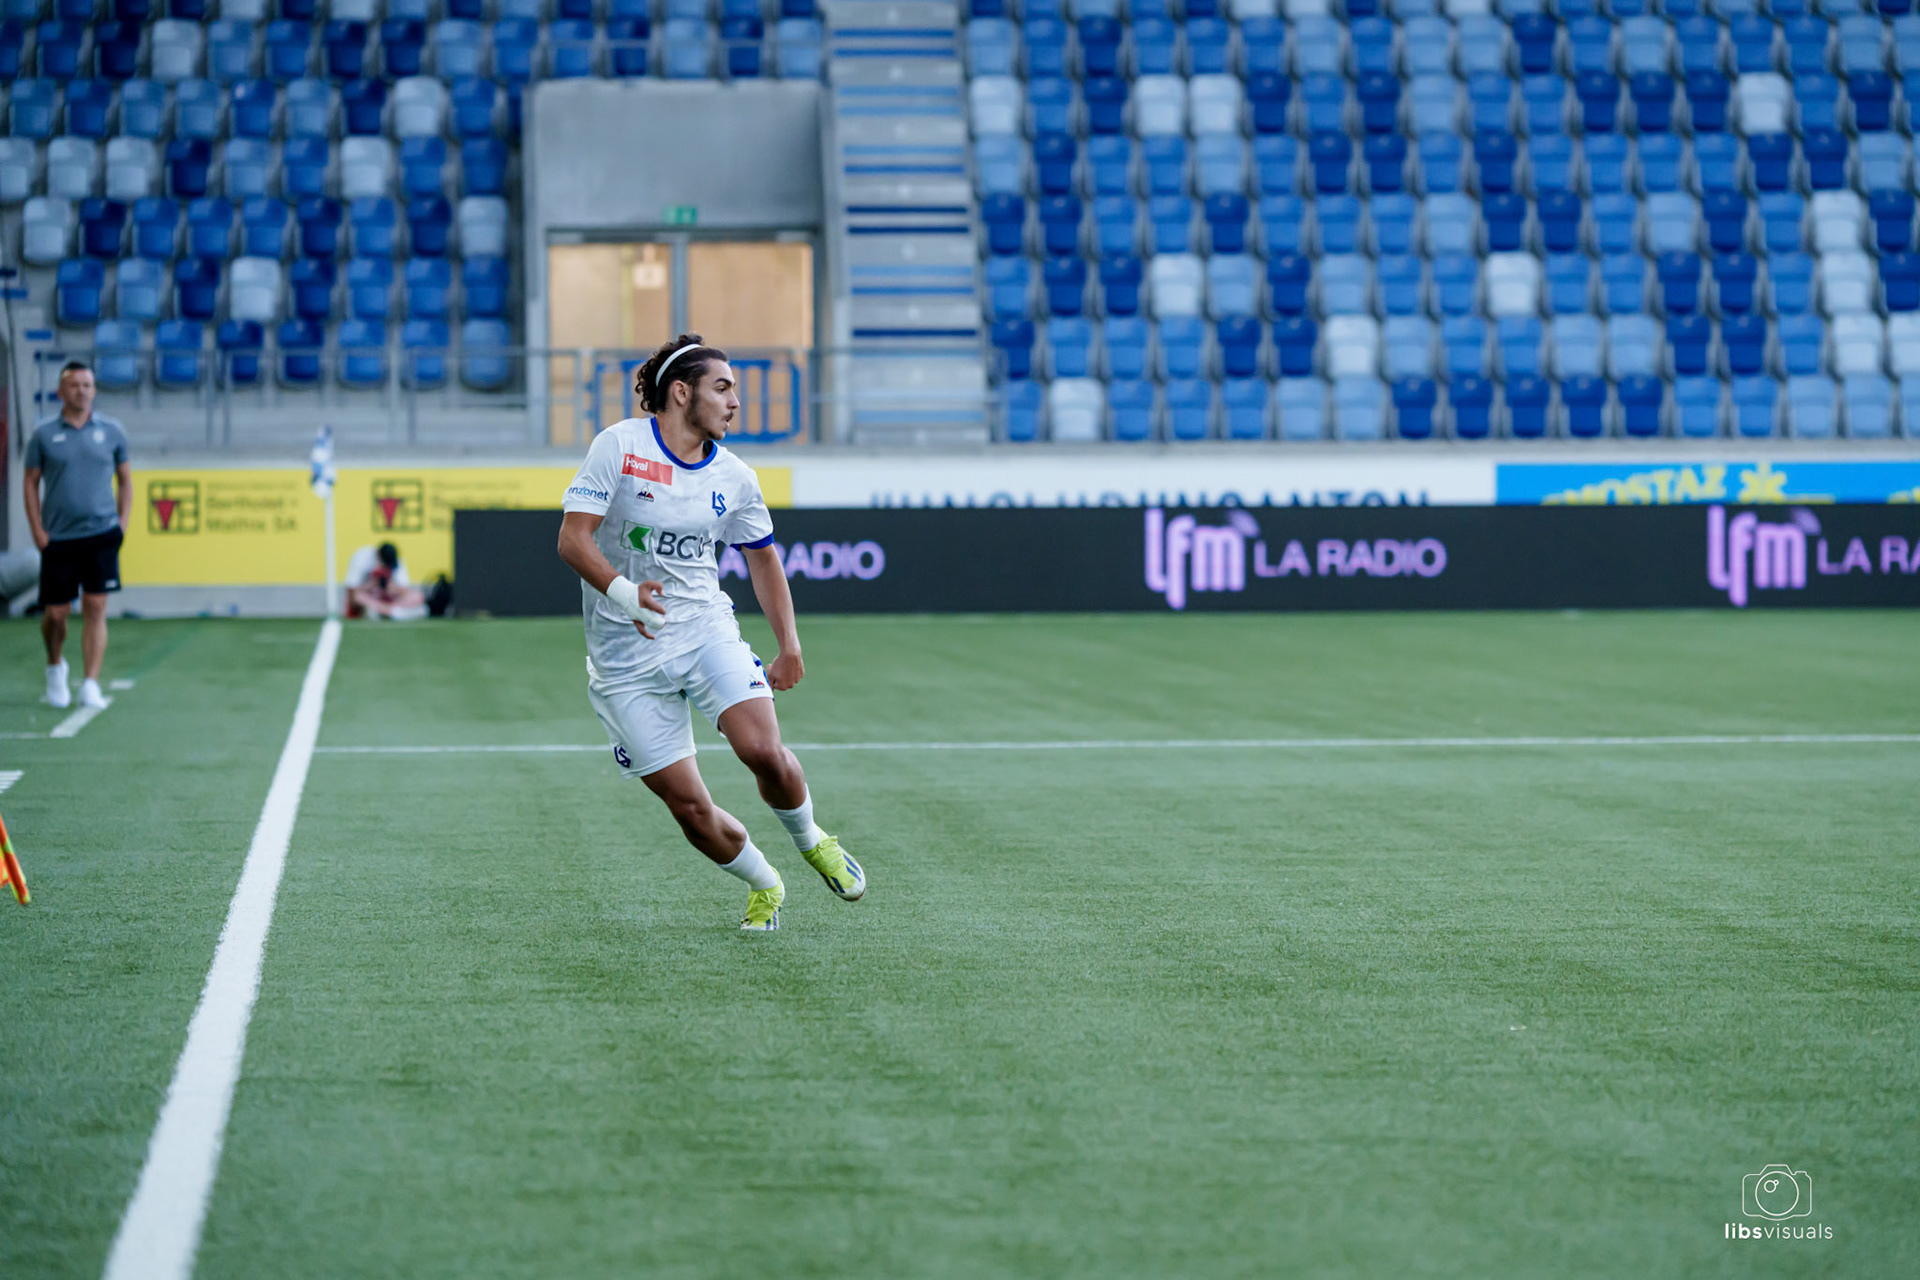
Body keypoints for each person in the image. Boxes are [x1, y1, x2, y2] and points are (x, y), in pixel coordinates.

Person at [556, 333, 865, 932]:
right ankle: (765, 884)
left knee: (761, 752)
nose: (735, 403)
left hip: (703, 630)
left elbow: (763, 558)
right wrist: (627, 596)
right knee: (693, 811)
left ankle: (812, 840)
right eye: (722, 388)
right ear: (680, 392)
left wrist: (789, 645)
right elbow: (573, 539)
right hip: (623, 663)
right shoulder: (618, 446)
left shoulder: (736, 476)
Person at [23, 362, 130, 710]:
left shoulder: (113, 432)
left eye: (87, 384)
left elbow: (126, 479)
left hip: (101, 534)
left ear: (94, 390)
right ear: (60, 391)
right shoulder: (43, 434)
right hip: (58, 538)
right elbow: (30, 482)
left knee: (96, 606)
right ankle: (55, 666)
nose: (81, 390)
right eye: (74, 385)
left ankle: (90, 683)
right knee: (56, 613)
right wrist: (37, 529)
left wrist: (122, 523)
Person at [345, 542, 429, 620]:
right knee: (359, 597)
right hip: (371, 600)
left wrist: (392, 588)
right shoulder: (361, 557)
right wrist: (371, 585)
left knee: (418, 596)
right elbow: (352, 594)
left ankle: (390, 611)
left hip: (390, 601)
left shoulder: (397, 561)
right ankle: (393, 612)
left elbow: (405, 589)